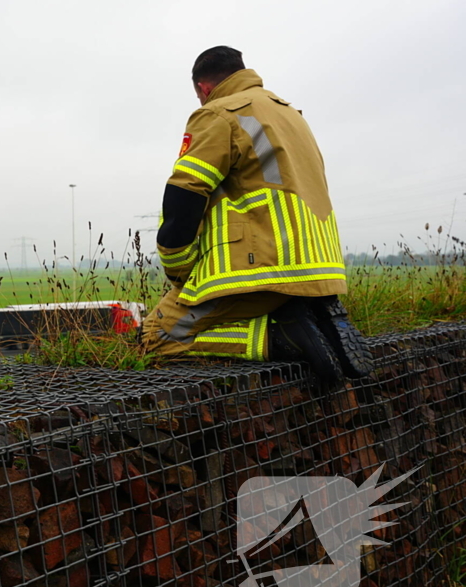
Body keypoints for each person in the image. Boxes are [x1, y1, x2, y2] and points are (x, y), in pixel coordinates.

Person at [141, 46, 372, 386]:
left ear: (204, 88)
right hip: (320, 270)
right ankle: (307, 314)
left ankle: (281, 337)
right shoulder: (292, 115)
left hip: (261, 271)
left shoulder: (217, 113)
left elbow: (185, 194)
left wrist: (179, 271)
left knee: (154, 336)